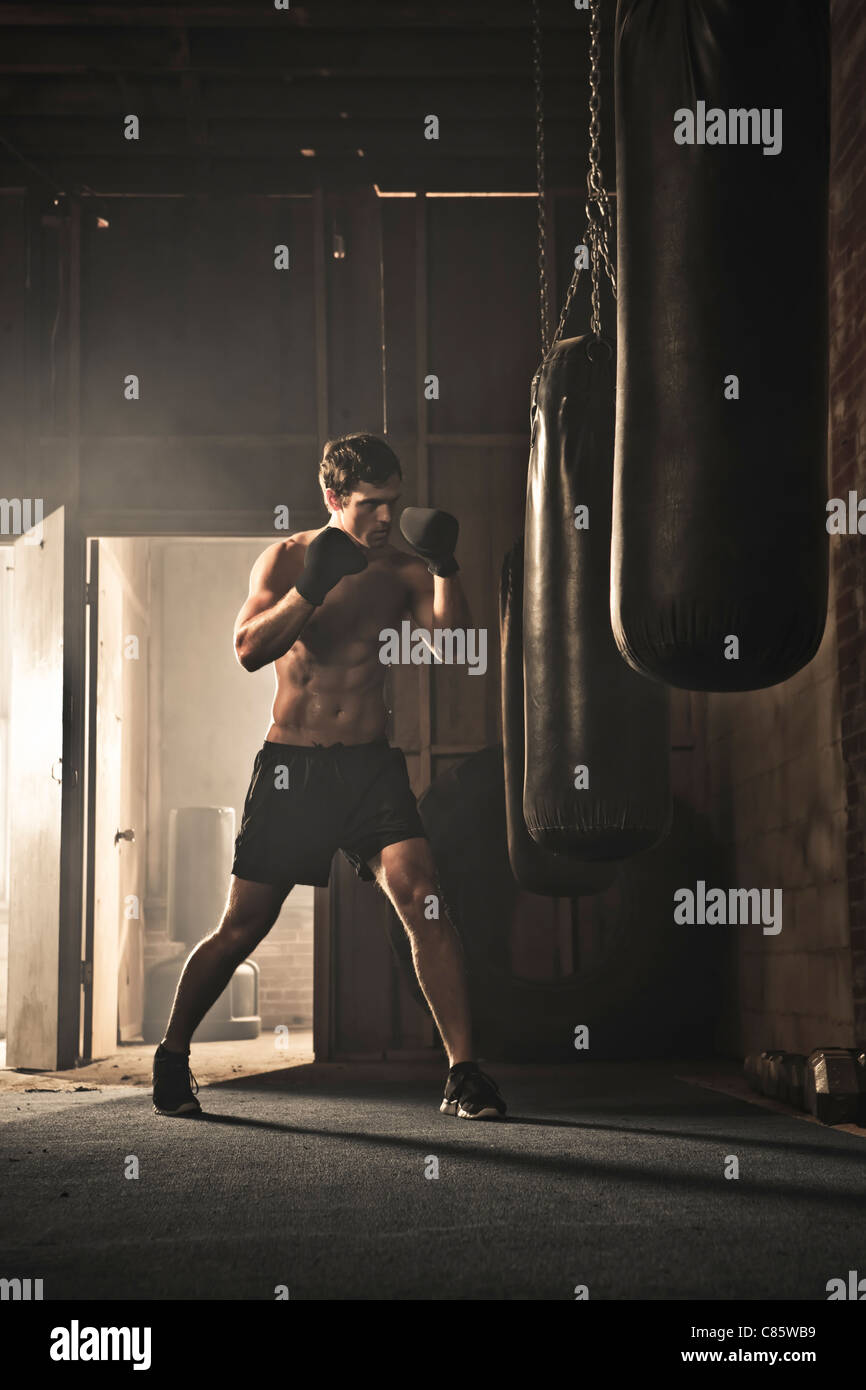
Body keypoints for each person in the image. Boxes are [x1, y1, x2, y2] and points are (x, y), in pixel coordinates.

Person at [152, 433, 506, 1122]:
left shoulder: (401, 569)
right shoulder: (287, 559)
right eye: (372, 505)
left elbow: (455, 646)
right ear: (333, 499)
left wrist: (444, 565)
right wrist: (312, 587)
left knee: (424, 899)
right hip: (293, 768)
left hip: (370, 766)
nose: (384, 518)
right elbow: (251, 650)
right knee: (242, 926)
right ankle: (172, 1054)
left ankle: (465, 1074)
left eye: (393, 504)